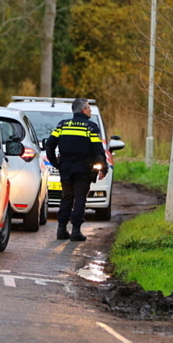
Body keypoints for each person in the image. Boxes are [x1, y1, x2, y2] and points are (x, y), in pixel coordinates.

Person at [46, 98, 106, 242]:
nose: (90, 110)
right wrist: (103, 168)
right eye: (89, 108)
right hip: (83, 168)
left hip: (65, 167)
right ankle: (76, 231)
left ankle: (61, 230)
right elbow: (98, 149)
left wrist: (55, 163)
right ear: (83, 110)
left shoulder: (62, 125)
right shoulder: (90, 127)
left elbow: (49, 144)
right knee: (80, 198)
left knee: (66, 197)